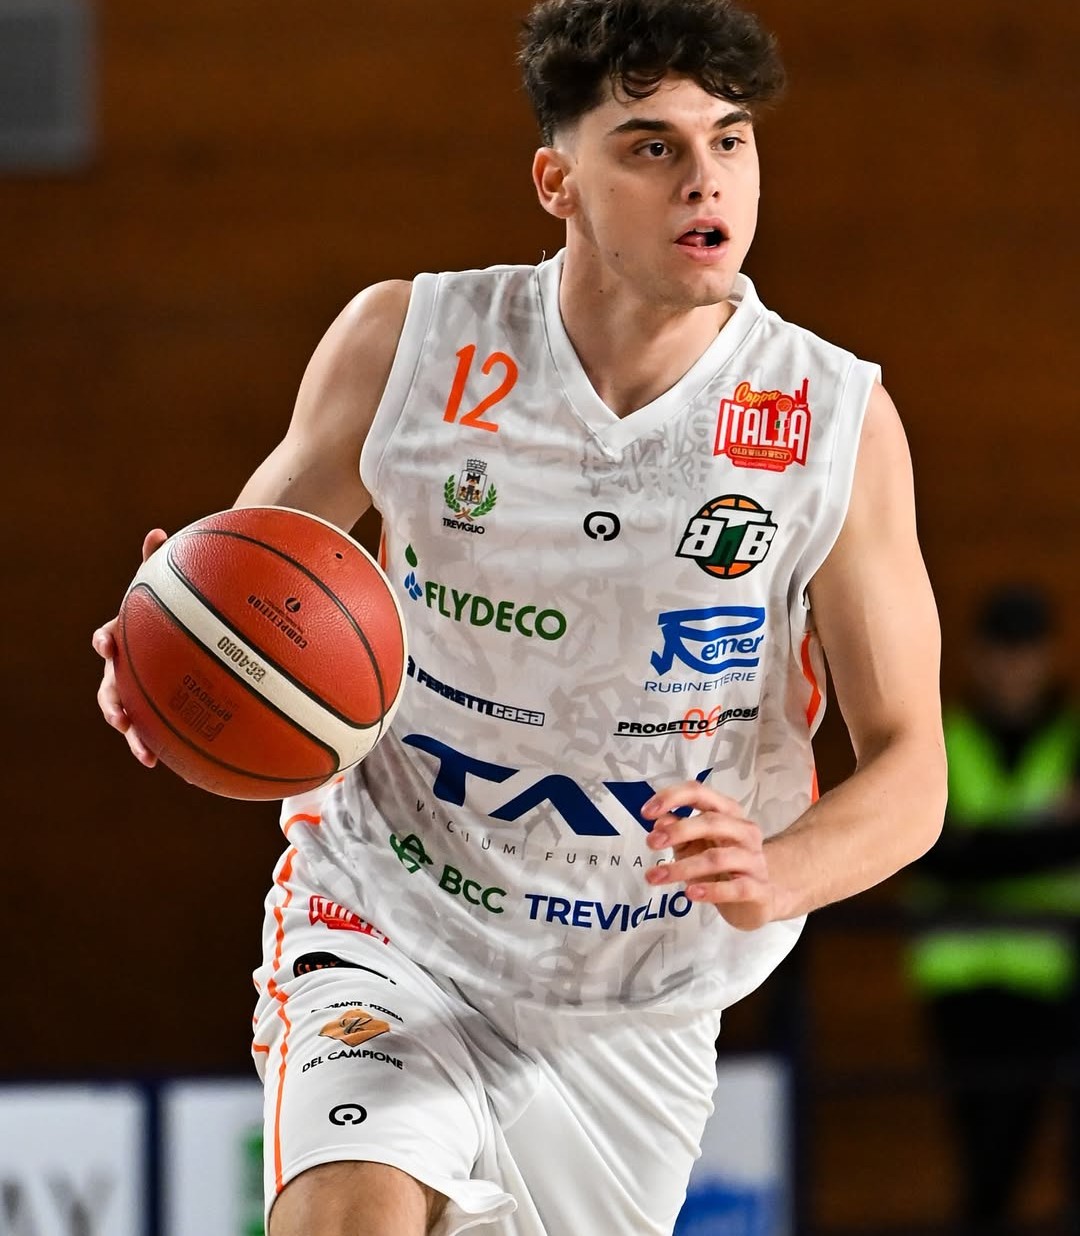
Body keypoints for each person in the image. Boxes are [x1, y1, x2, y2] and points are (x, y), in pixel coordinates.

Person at [92, 1, 947, 1232]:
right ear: (559, 182)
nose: (704, 177)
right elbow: (240, 592)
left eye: (731, 139)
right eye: (651, 145)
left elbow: (913, 770)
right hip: (390, 913)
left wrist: (780, 868)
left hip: (636, 991)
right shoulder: (408, 345)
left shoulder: (830, 420)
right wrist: (160, 648)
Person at [907, 583, 1080, 1233]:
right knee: (988, 1158)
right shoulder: (940, 737)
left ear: (1047, 654)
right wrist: (1044, 837)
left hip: (1057, 977)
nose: (1014, 666)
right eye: (1002, 649)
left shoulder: (1070, 735)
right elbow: (930, 855)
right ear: (977, 656)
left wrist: (979, 846)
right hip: (963, 983)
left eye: (1026, 649)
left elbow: (960, 857)